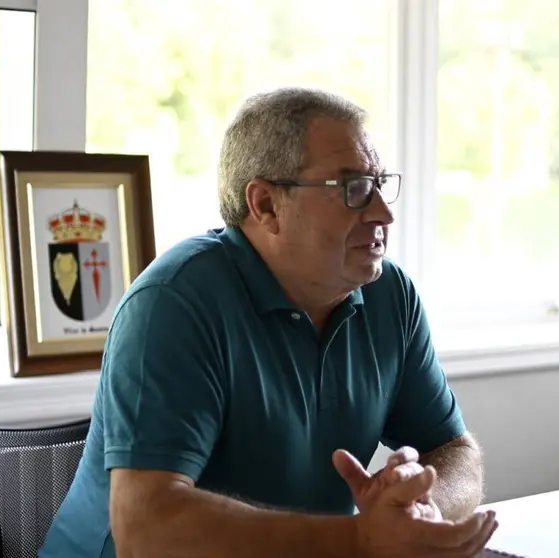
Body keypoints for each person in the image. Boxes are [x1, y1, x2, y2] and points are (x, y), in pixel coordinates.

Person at [39, 87, 498, 558]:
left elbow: (456, 452)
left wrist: (418, 514)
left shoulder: (389, 294)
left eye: (380, 184)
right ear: (265, 205)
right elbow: (146, 530)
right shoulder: (173, 303)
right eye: (353, 188)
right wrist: (362, 541)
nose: (383, 212)